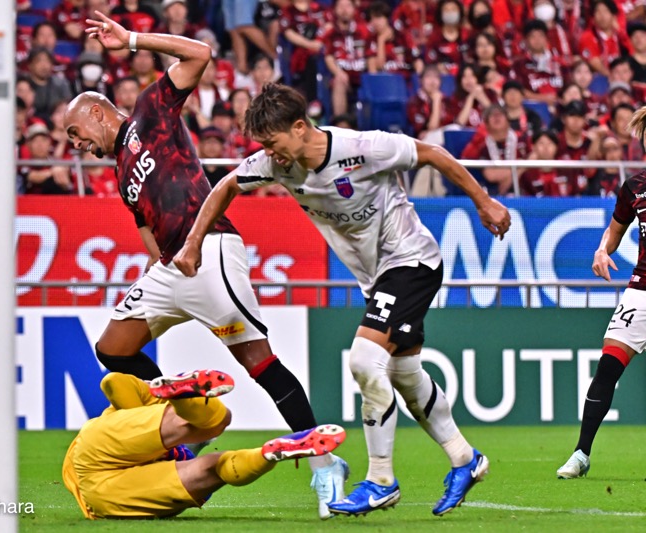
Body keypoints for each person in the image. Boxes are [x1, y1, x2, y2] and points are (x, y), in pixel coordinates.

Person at [174, 82, 510, 517]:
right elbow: (224, 187)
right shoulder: (278, 164)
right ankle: (465, 459)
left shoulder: (362, 147)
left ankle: (380, 480)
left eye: (273, 143)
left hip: (411, 261)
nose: (269, 154)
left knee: (364, 361)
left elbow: (431, 153)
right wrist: (193, 244)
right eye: (263, 146)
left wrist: (483, 202)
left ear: (299, 127)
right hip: (377, 278)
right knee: (405, 375)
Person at [63, 12, 348, 519]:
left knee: (259, 363)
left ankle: (328, 466)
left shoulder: (149, 113)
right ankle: (175, 423)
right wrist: (157, 274)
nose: (75, 143)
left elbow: (199, 53)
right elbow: (149, 235)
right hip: (171, 267)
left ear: (99, 113)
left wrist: (129, 40)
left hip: (210, 249)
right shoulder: (122, 171)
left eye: (76, 131)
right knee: (114, 347)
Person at [62, 369, 346, 519]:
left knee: (201, 429)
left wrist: (138, 406)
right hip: (123, 491)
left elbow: (112, 382)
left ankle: (270, 454)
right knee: (216, 466)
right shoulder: (173, 430)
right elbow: (112, 382)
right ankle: (266, 455)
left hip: (98, 484)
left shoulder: (154, 406)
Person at [556, 106, 646, 478]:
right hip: (641, 290)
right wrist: (600, 249)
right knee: (608, 366)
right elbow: (614, 231)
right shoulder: (635, 187)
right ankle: (581, 453)